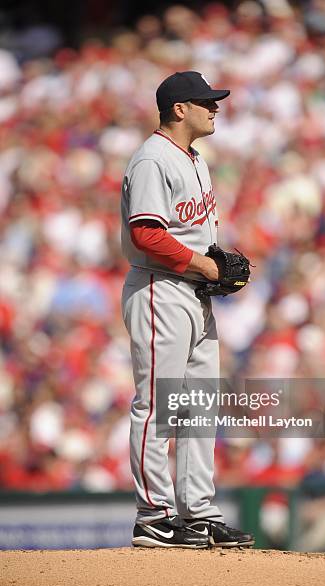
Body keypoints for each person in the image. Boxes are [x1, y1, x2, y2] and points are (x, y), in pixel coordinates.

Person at [120, 71, 254, 548]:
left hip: (192, 292)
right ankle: (153, 514)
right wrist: (207, 267)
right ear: (180, 109)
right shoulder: (154, 158)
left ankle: (197, 511)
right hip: (160, 288)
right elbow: (147, 234)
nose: (215, 108)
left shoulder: (194, 158)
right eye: (207, 102)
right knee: (158, 406)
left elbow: (192, 233)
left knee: (199, 405)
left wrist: (213, 264)